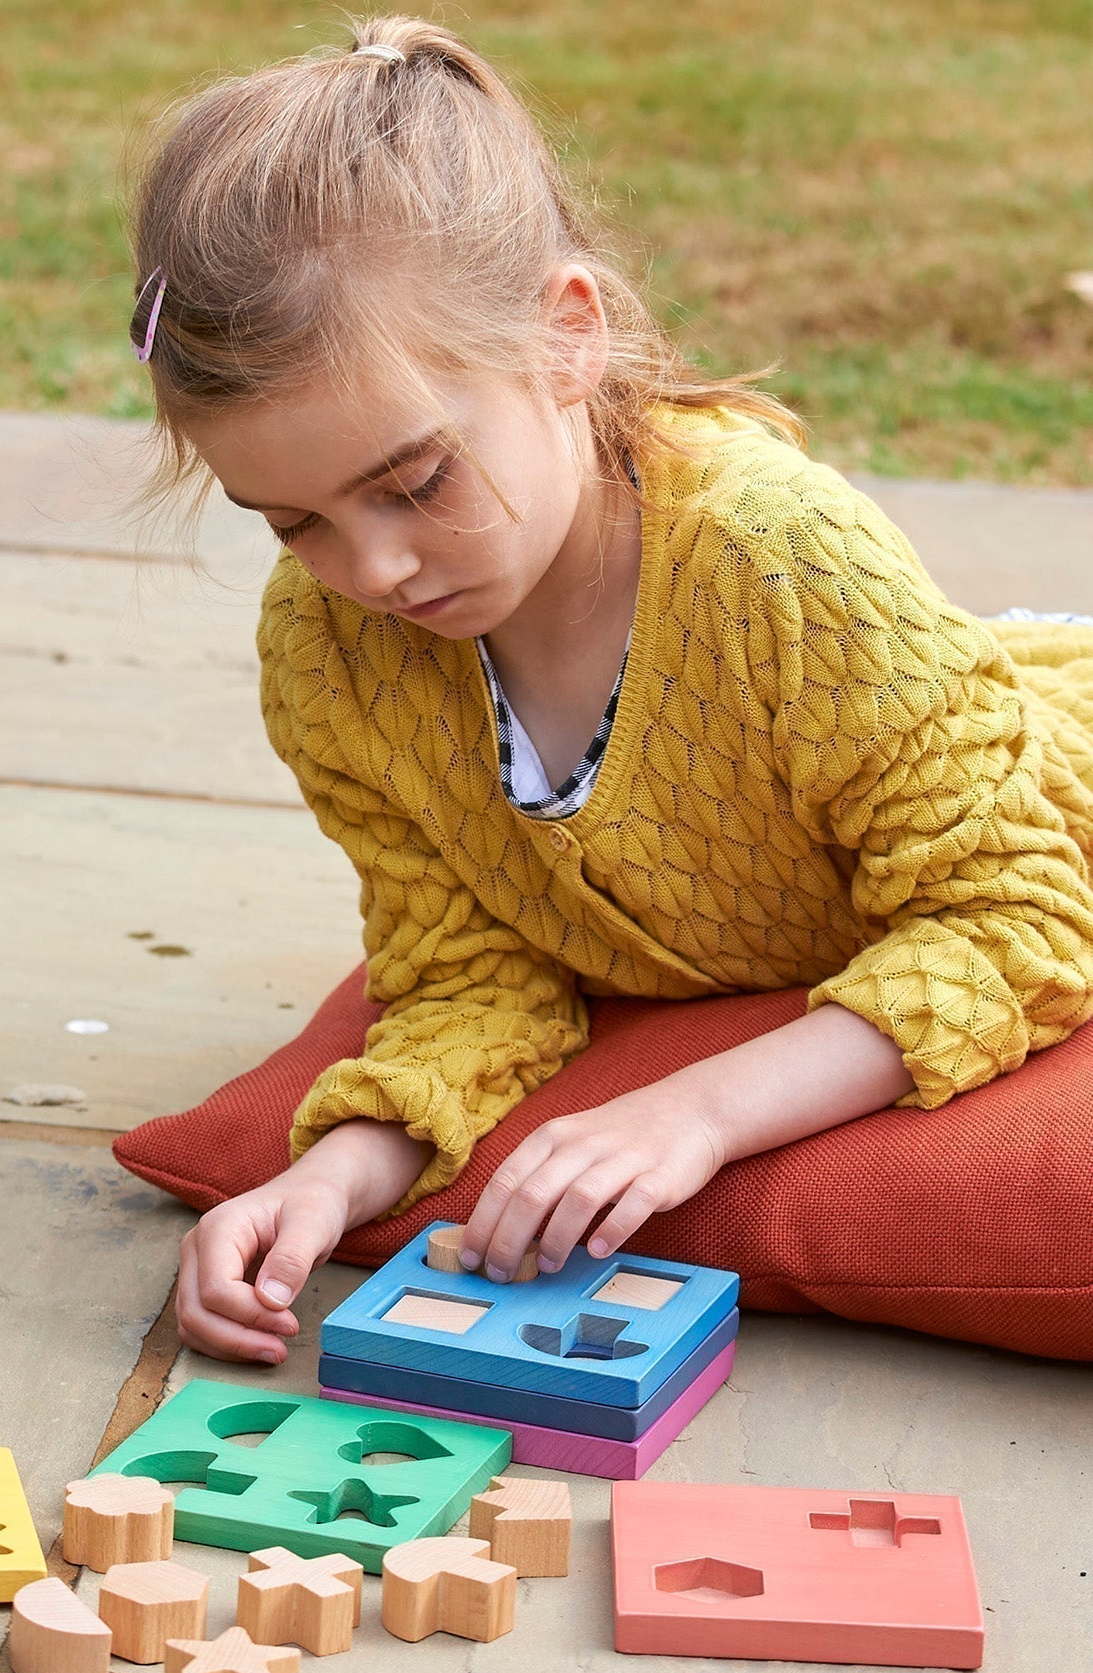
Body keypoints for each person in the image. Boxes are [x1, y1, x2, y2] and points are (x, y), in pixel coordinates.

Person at [125, 16, 1093, 1363]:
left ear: (566, 338)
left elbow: (1022, 916)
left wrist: (690, 1113)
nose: (375, 567)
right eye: (293, 522)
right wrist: (325, 1181)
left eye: (414, 483)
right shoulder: (328, 649)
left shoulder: (782, 560)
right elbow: (470, 976)